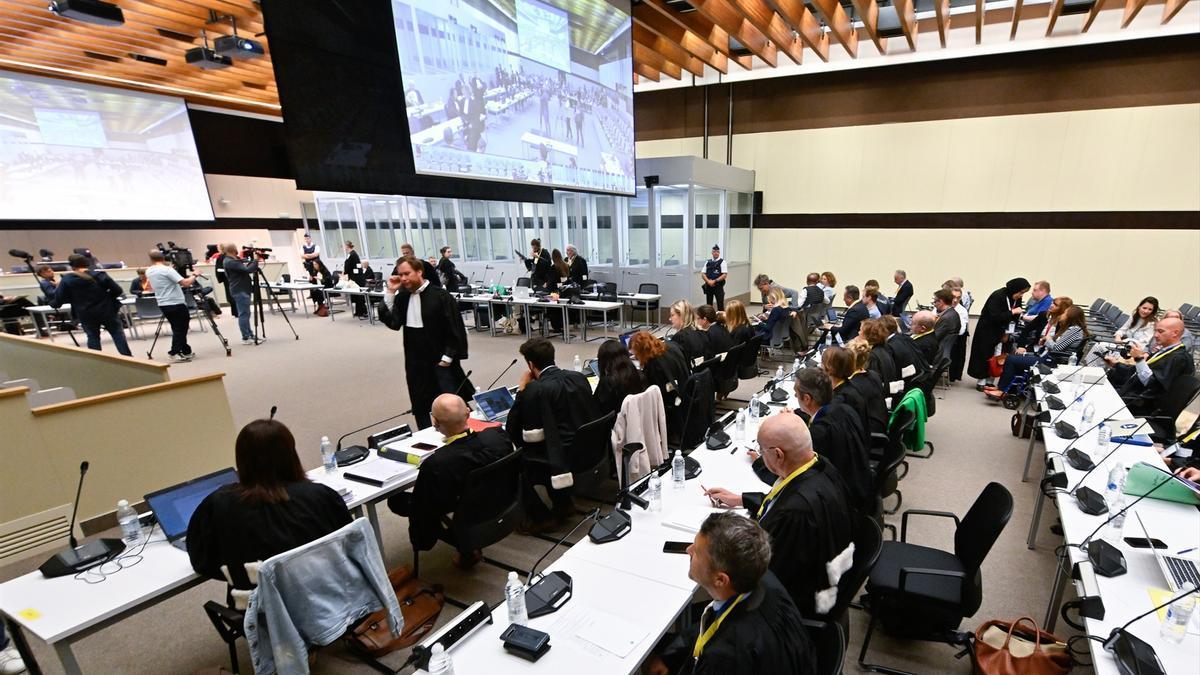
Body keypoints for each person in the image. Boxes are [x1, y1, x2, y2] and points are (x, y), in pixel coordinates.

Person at [703, 413, 855, 618]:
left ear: (778, 455)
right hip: (825, 576)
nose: (760, 454)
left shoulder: (796, 514)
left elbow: (761, 574)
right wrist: (740, 499)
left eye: (761, 449)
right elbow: (782, 499)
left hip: (794, 606)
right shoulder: (821, 466)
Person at [186, 419, 352, 589]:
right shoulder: (321, 496)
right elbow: (351, 546)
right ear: (291, 455)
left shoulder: (218, 504)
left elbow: (202, 562)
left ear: (241, 459)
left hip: (262, 610)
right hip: (333, 601)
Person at [647, 513, 815, 675]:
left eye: (697, 552)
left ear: (720, 580)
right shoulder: (765, 580)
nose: (688, 550)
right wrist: (671, 656)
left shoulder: (724, 658)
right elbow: (711, 626)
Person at [387, 394, 513, 568]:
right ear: (468, 413)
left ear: (435, 423)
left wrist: (420, 539)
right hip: (501, 504)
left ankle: (466, 546)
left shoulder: (437, 464)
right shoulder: (498, 436)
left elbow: (424, 508)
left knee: (398, 501)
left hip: (467, 512)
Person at [507, 337, 596, 528]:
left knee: (514, 463)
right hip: (587, 449)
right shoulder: (578, 377)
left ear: (531, 364)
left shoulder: (536, 390)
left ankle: (541, 517)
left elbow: (513, 429)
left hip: (561, 459)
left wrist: (522, 390)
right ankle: (563, 503)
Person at [378, 255, 473, 429]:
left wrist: (448, 358)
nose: (404, 278)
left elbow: (455, 329)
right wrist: (391, 291)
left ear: (419, 271)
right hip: (415, 362)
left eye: (407, 273)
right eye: (401, 275)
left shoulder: (441, 296)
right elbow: (393, 323)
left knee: (453, 403)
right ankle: (426, 438)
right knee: (420, 404)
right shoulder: (403, 298)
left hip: (441, 361)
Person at [792, 367, 872, 513]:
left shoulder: (819, 434)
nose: (795, 397)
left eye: (796, 394)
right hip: (862, 485)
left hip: (843, 503)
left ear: (807, 399)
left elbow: (794, 473)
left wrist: (760, 460)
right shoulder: (844, 409)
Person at [985, 305, 1089, 396]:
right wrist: (1047, 340)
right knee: (1015, 358)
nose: (1063, 315)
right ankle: (1002, 388)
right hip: (1049, 357)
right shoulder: (1075, 329)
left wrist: (1048, 338)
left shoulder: (1074, 330)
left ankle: (1002, 390)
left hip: (1051, 361)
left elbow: (1057, 348)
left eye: (1065, 313)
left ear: (1071, 316)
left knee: (1011, 359)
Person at [51, 254, 132, 356]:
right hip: (107, 310)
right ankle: (127, 357)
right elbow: (117, 290)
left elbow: (59, 299)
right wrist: (107, 297)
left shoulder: (67, 279)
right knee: (117, 333)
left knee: (92, 336)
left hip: (86, 313)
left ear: (72, 266)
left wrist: (53, 303)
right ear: (87, 263)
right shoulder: (99, 275)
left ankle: (96, 360)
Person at [1119, 317, 1194, 415]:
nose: (1155, 335)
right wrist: (1115, 365)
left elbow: (1151, 383)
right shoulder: (1165, 351)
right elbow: (1137, 372)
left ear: (1175, 333)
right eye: (1155, 331)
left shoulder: (1178, 358)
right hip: (1131, 394)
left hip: (1143, 406)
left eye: (1160, 331)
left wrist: (1139, 359)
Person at [968, 278, 1030, 390]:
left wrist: (1008, 333)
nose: (1021, 295)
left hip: (1003, 331)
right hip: (988, 330)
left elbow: (1014, 318)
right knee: (985, 355)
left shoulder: (1016, 299)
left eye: (1023, 293)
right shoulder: (998, 296)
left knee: (998, 356)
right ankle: (981, 380)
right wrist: (1012, 312)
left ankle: (991, 380)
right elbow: (994, 316)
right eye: (1021, 292)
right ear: (1014, 289)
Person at [631, 330, 691, 439]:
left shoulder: (654, 365)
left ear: (641, 351)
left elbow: (655, 393)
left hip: (671, 404)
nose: (635, 357)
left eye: (636, 354)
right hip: (685, 393)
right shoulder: (670, 347)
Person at [146, 250, 198, 362]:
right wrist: (195, 275)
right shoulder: (167, 270)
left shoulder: (149, 271)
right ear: (164, 258)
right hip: (175, 302)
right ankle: (174, 352)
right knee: (181, 328)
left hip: (163, 303)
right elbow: (185, 283)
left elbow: (164, 279)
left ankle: (185, 350)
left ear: (151, 259)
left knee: (177, 327)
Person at [592, 338, 648, 418]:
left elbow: (597, 407)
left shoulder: (608, 382)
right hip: (636, 418)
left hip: (617, 423)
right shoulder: (638, 374)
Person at [221, 243, 260, 345]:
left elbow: (242, 267)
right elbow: (247, 270)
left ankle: (249, 334)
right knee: (244, 314)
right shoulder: (230, 261)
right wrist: (255, 260)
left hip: (241, 289)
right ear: (233, 249)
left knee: (246, 314)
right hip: (240, 290)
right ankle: (246, 337)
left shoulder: (231, 260)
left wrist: (251, 260)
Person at [880, 314, 931, 392]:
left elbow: (889, 373)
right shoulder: (905, 338)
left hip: (903, 385)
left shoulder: (889, 347)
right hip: (918, 379)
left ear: (883, 331)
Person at [1015, 281, 1053, 348]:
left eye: (1035, 290)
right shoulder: (1036, 301)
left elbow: (1039, 317)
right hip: (1027, 329)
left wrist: (1022, 317)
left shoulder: (1048, 301)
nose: (1032, 292)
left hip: (1032, 334)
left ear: (1042, 291)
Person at [669, 299, 708, 363]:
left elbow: (674, 365)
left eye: (672, 315)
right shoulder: (702, 332)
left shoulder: (680, 337)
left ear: (681, 315)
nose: (670, 319)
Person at [930, 289, 961, 363]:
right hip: (941, 351)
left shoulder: (946, 318)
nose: (934, 304)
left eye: (935, 301)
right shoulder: (952, 313)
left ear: (941, 302)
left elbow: (934, 339)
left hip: (936, 354)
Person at [949, 286, 971, 382]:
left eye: (958, 298)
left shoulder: (962, 311)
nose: (955, 300)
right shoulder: (942, 306)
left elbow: (961, 330)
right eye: (953, 297)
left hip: (954, 339)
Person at [343, 241, 368, 318]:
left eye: (344, 246)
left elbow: (347, 266)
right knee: (356, 296)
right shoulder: (351, 254)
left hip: (356, 278)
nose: (343, 247)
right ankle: (359, 311)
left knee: (359, 296)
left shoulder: (352, 254)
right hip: (355, 277)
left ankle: (363, 311)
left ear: (347, 246)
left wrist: (344, 271)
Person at [700, 245, 728, 310]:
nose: (716, 253)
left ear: (719, 253)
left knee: (720, 304)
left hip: (718, 286)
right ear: (712, 252)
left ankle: (721, 319)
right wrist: (708, 281)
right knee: (709, 305)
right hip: (709, 286)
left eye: (717, 251)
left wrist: (714, 281)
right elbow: (703, 274)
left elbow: (724, 275)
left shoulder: (722, 262)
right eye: (714, 251)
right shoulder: (708, 262)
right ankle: (710, 318)